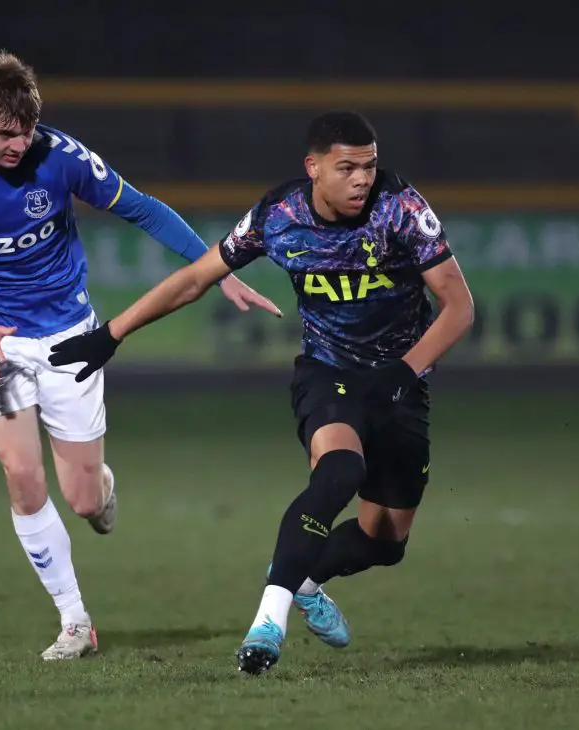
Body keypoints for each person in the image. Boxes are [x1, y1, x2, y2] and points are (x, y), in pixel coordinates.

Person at [47, 110, 474, 674]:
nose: (362, 179)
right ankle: (267, 622)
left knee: (385, 542)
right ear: (313, 168)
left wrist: (403, 373)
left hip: (399, 381)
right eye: (346, 167)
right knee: (339, 469)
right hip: (329, 373)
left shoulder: (402, 209)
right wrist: (112, 333)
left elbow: (459, 305)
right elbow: (198, 277)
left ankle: (305, 580)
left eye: (369, 166)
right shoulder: (280, 214)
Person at [0, 50, 280, 661]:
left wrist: (219, 269)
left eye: (26, 132)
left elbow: (145, 209)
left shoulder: (61, 157)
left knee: (82, 499)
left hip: (70, 341)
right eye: (3, 134)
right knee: (22, 475)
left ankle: (100, 488)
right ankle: (75, 621)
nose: (18, 146)